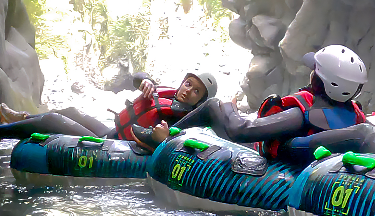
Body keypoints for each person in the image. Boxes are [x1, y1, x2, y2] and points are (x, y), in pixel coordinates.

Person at [151, 45, 375, 163]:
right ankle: (169, 133)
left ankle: (164, 136)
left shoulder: (301, 113)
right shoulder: (353, 114)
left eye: (314, 69)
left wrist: (230, 106)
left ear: (318, 78)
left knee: (213, 106)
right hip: (297, 146)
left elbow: (239, 130)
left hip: (249, 147)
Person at [0, 71, 217, 150]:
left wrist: (163, 139)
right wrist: (146, 80)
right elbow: (137, 76)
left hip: (116, 145)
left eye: (196, 91)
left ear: (200, 102)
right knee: (73, 111)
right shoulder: (165, 93)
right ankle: (24, 118)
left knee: (54, 120)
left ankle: (3, 131)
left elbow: (174, 145)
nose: (188, 91)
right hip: (111, 132)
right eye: (188, 84)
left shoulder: (187, 122)